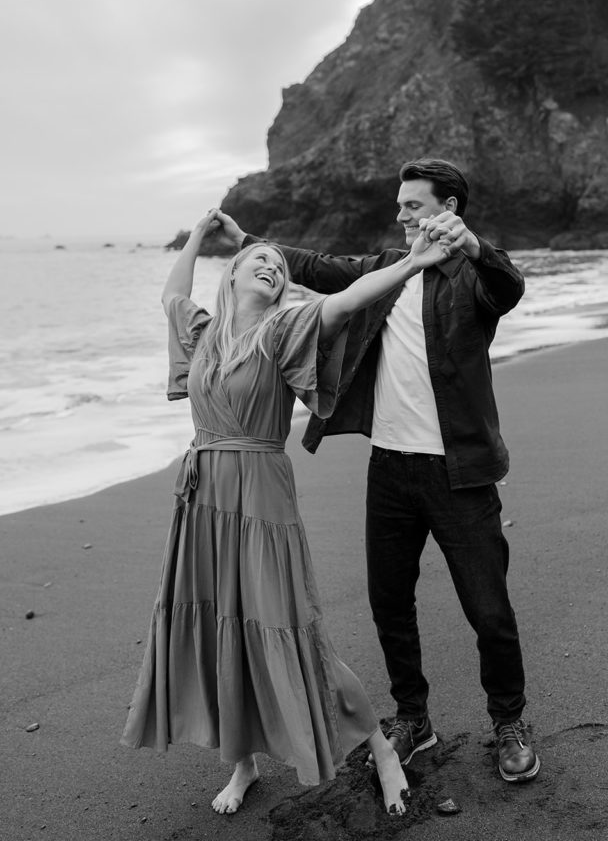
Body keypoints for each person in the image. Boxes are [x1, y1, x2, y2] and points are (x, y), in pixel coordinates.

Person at [213, 158, 541, 784]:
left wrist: (473, 247)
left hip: (461, 472)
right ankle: (412, 718)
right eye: (401, 205)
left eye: (413, 205)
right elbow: (315, 265)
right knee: (390, 602)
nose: (401, 215)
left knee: (489, 608)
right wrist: (250, 242)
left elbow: (511, 286)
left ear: (449, 209)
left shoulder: (474, 279)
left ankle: (509, 722)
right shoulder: (388, 271)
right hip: (390, 469)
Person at [121, 206, 452, 816]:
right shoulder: (204, 333)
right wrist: (198, 234)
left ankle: (378, 748)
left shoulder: (282, 331)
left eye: (278, 263)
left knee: (286, 623)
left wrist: (411, 264)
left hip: (261, 493)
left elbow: (344, 303)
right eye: (259, 260)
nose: (271, 265)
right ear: (234, 276)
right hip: (202, 497)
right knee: (219, 621)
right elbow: (171, 294)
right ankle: (241, 762)